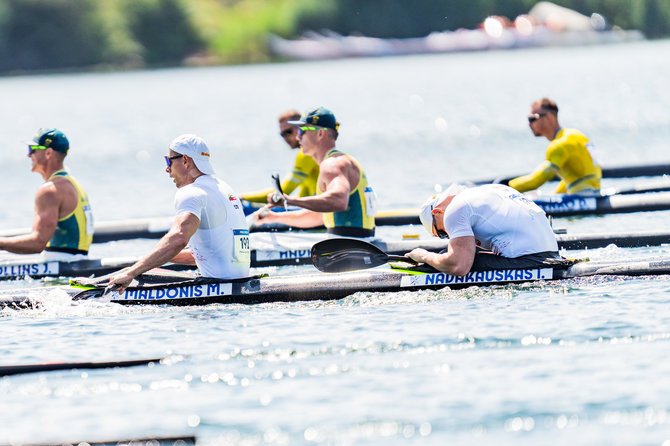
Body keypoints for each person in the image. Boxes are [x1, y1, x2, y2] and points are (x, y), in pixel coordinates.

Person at [108, 134, 250, 293]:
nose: (167, 168)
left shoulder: (192, 192)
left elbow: (179, 238)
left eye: (169, 161)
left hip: (218, 290)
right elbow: (214, 252)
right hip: (239, 281)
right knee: (149, 270)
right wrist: (151, 259)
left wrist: (131, 272)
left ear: (185, 160)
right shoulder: (225, 189)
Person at [254, 107, 376, 237]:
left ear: (320, 134)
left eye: (302, 130)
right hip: (355, 242)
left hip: (349, 248)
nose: (298, 136)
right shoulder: (340, 161)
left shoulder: (332, 164)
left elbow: (339, 201)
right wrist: (273, 218)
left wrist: (290, 201)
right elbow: (318, 217)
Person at [406, 183, 564, 275]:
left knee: (449, 261)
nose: (447, 236)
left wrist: (424, 256)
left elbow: (460, 266)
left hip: (530, 259)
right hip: (552, 253)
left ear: (437, 212)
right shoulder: (489, 190)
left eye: (441, 233)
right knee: (452, 256)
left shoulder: (454, 210)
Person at [0, 128, 93, 257]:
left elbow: (38, 243)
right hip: (78, 261)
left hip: (63, 267)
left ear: (48, 153)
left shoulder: (50, 190)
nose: (29, 155)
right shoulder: (73, 183)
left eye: (32, 149)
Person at [507, 98, 601, 195]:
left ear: (549, 118)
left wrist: (506, 187)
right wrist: (552, 195)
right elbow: (572, 179)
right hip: (594, 193)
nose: (529, 124)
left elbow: (536, 180)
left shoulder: (559, 145)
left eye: (533, 118)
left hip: (582, 196)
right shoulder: (576, 135)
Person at [242, 109, 320, 203]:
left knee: (246, 206)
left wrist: (243, 197)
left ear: (300, 128)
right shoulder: (308, 152)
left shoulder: (306, 155)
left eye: (288, 132)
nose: (285, 138)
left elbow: (283, 191)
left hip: (319, 210)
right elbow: (304, 194)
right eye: (282, 134)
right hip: (315, 207)